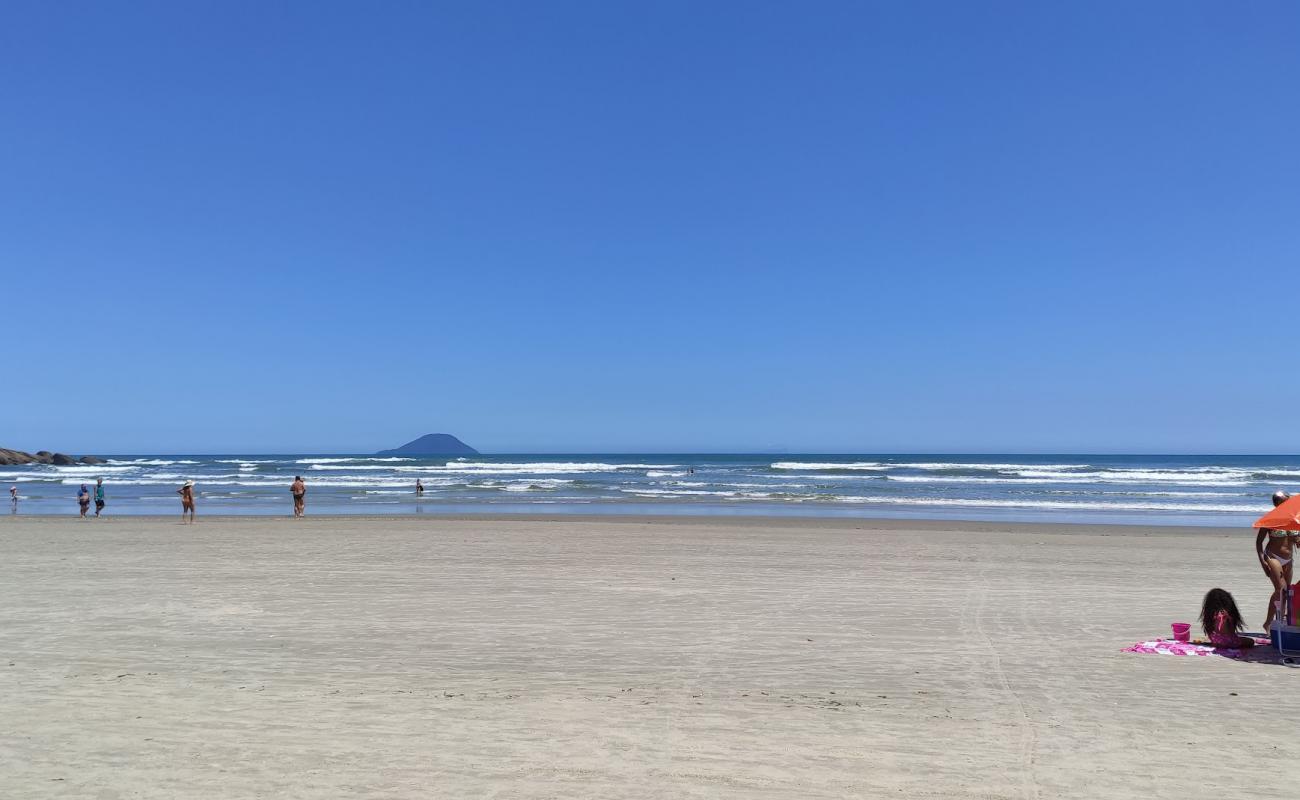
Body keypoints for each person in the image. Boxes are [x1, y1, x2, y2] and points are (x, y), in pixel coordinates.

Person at [1256, 490, 1295, 629]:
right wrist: (1263, 563)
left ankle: (1273, 623)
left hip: (1288, 558)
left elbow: (1295, 540)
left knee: (1286, 592)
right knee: (1281, 589)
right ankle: (1272, 622)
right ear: (1277, 503)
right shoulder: (1270, 519)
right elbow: (1259, 542)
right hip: (1272, 556)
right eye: (1286, 500)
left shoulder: (1294, 518)